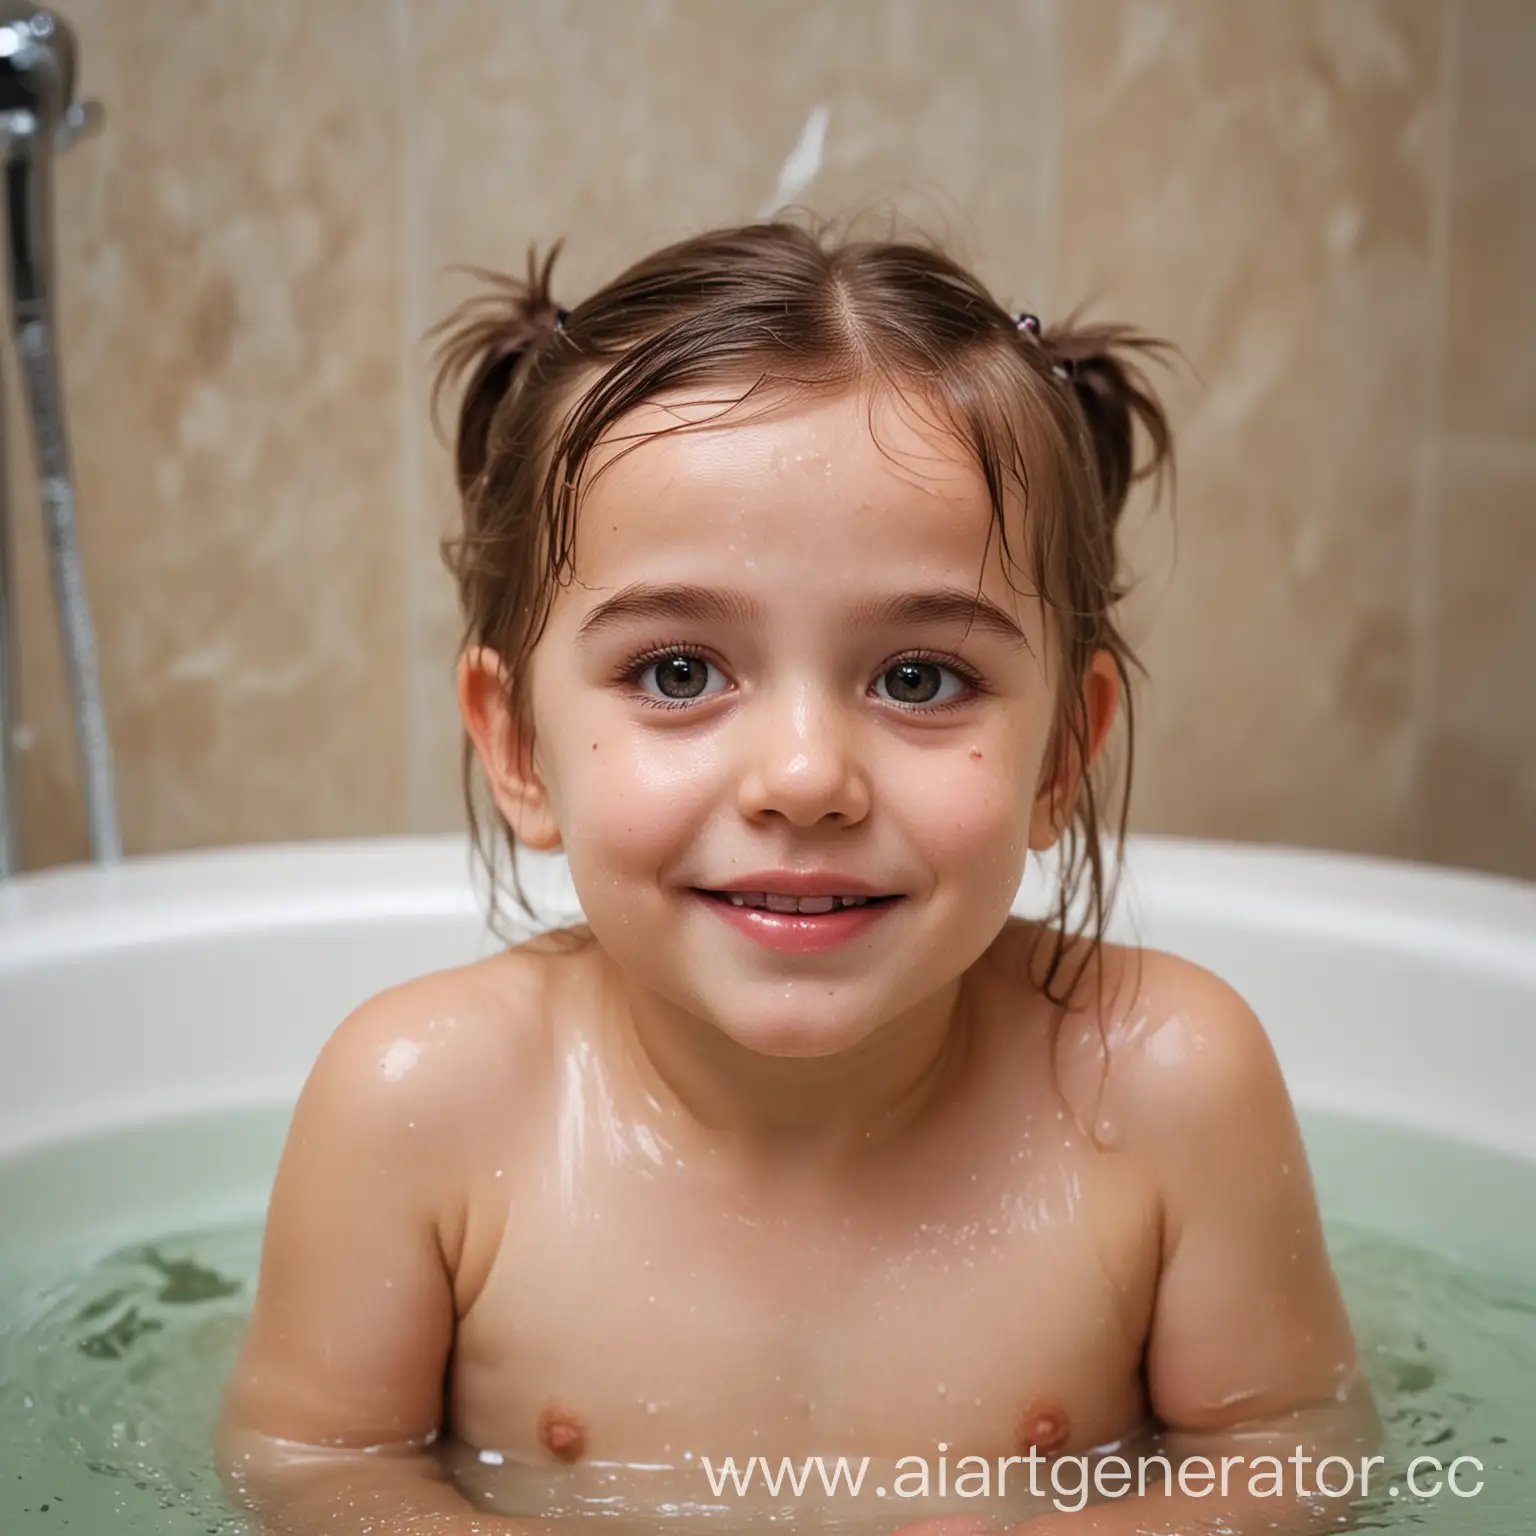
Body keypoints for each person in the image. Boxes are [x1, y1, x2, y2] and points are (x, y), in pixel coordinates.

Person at [217, 215, 1377, 1535]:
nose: (805, 776)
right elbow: (314, 1465)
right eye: (678, 672)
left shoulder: (1167, 1084)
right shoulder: (422, 1108)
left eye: (919, 677)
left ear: (1064, 751)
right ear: (520, 747)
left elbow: (1291, 1447)